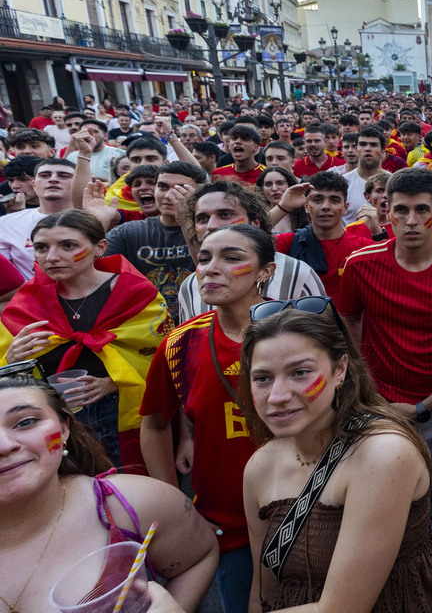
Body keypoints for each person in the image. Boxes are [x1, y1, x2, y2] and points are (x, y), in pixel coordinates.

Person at [239, 300, 432, 613]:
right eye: (263, 378)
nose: (277, 396)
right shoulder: (259, 467)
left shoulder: (383, 454)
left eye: (300, 372)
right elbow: (263, 592)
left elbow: (342, 608)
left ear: (340, 369)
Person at [337, 168, 432, 611]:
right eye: (399, 210)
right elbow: (348, 323)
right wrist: (368, 390)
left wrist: (425, 406)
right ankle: (399, 577)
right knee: (386, 497)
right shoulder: (362, 264)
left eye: (421, 210)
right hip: (381, 404)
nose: (409, 221)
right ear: (386, 211)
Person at [140, 225, 277, 613]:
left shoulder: (302, 330)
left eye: (232, 258)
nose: (211, 269)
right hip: (224, 524)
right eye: (204, 259)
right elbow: (153, 423)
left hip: (307, 509)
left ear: (264, 272)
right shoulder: (180, 343)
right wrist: (174, 506)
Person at [0, 372, 219, 613]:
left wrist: (176, 607)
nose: (4, 445)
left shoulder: (131, 503)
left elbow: (199, 557)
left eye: (25, 422)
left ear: (64, 429)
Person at [1, 208, 172, 470]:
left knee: (126, 486)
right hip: (55, 417)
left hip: (121, 413)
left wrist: (113, 383)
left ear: (100, 247)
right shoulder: (27, 302)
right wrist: (12, 360)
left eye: (68, 246)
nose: (52, 257)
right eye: (41, 248)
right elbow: (7, 371)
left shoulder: (135, 294)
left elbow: (162, 355)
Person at [177, 181, 325, 321]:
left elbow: (324, 339)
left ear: (255, 223)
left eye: (225, 215)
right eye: (202, 218)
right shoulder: (189, 287)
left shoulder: (297, 273)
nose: (211, 225)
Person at [104, 161, 205, 322]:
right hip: (143, 330)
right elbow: (91, 271)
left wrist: (186, 220)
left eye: (180, 189)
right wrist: (99, 222)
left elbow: (208, 269)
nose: (169, 195)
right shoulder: (127, 233)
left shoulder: (212, 231)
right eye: (163, 187)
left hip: (198, 325)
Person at [273, 172, 374, 300]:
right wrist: (282, 207)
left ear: (345, 208)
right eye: (317, 200)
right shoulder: (290, 241)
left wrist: (378, 234)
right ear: (307, 206)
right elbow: (246, 240)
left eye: (334, 200)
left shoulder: (363, 248)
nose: (326, 206)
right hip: (300, 318)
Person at [0, 158, 75, 279]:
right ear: (34, 184)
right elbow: (6, 281)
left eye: (64, 176)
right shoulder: (6, 224)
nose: (53, 179)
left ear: (79, 183)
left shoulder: (96, 218)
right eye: (44, 175)